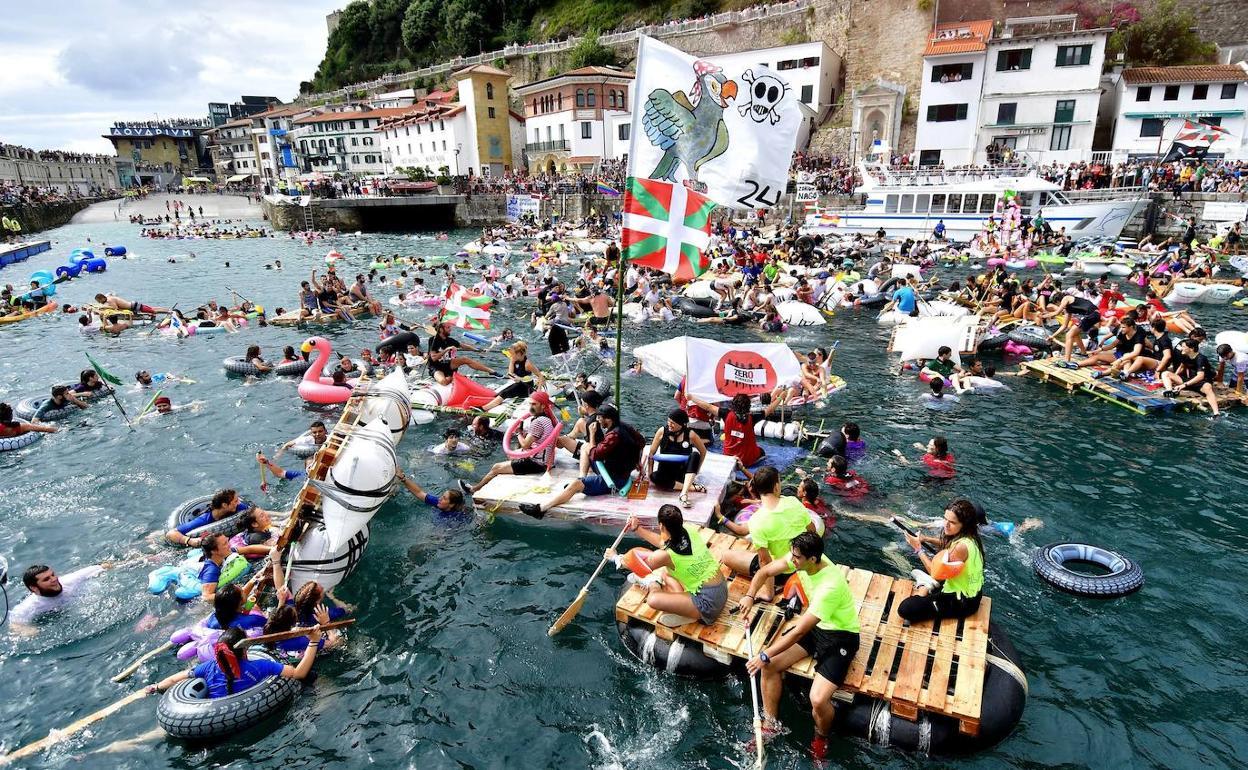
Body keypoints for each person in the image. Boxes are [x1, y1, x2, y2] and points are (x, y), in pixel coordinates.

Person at [742, 532, 861, 759]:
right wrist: (749, 595)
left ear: (812, 559)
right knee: (770, 666)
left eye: (796, 558)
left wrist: (764, 655)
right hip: (817, 628)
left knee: (818, 699)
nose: (792, 560)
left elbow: (798, 631)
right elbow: (765, 571)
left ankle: (821, 737)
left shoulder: (830, 586)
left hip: (840, 637)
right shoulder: (802, 560)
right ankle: (770, 725)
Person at [607, 507, 727, 626]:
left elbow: (637, 566)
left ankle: (653, 582)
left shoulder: (664, 556)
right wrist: (637, 528)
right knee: (666, 574)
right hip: (721, 588)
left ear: (661, 526)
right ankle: (688, 612)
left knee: (653, 600)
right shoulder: (689, 530)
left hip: (708, 604)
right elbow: (662, 542)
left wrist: (615, 557)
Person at [517, 405, 644, 518]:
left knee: (576, 484)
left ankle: (541, 509)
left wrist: (592, 434)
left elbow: (595, 455)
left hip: (614, 480)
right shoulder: (623, 426)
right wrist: (637, 461)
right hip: (616, 470)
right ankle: (582, 478)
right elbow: (641, 442)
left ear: (608, 419)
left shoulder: (613, 436)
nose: (598, 420)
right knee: (585, 447)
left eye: (600, 418)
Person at [147, 623, 324, 699]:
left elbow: (174, 679)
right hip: (244, 716)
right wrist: (314, 641)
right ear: (245, 648)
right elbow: (299, 673)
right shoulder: (260, 666)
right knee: (315, 678)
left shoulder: (208, 667)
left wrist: (155, 687)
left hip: (211, 716)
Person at [718, 467, 816, 600]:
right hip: (802, 563)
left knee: (726, 556)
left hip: (781, 573)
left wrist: (720, 516)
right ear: (776, 487)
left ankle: (770, 591)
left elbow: (765, 562)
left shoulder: (757, 520)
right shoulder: (794, 502)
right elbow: (812, 530)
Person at [898, 499, 985, 622]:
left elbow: (935, 573)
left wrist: (918, 549)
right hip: (972, 592)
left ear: (964, 524)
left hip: (962, 602)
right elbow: (949, 546)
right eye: (945, 519)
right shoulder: (970, 537)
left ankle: (924, 585)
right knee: (932, 563)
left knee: (906, 608)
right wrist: (926, 539)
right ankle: (928, 585)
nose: (946, 524)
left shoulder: (961, 547)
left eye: (952, 522)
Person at [462, 392, 559, 493]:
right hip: (546, 459)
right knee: (512, 456)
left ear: (543, 405)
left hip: (538, 463)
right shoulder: (547, 418)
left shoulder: (537, 422)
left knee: (496, 467)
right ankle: (511, 469)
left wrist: (518, 433)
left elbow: (525, 445)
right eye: (530, 404)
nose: (531, 407)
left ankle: (474, 489)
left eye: (534, 404)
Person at [685, 393, 780, 468]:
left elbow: (708, 407)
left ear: (733, 405)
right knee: (761, 452)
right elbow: (769, 410)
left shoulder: (725, 414)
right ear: (748, 406)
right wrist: (780, 398)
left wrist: (692, 398)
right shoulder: (753, 417)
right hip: (747, 460)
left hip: (729, 457)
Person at [9, 562, 109, 632]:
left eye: (53, 575)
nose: (54, 579)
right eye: (46, 579)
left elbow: (104, 566)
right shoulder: (30, 606)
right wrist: (28, 631)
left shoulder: (70, 580)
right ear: (34, 588)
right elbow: (15, 623)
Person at [642, 409, 709, 507]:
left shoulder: (690, 434)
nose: (669, 424)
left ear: (681, 424)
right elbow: (652, 453)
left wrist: (696, 470)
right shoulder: (662, 431)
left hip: (683, 473)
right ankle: (692, 487)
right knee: (654, 477)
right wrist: (650, 473)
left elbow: (703, 451)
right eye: (668, 421)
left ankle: (684, 493)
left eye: (672, 423)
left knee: (695, 455)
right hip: (665, 472)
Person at [164, 488, 252, 546]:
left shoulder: (239, 507)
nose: (239, 502)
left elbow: (254, 512)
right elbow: (171, 534)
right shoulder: (204, 520)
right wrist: (189, 541)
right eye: (235, 501)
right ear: (225, 505)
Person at [478, 340, 546, 412]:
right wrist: (514, 374)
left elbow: (540, 376)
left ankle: (483, 408)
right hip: (518, 384)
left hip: (527, 387)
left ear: (519, 354)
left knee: (505, 393)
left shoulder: (527, 364)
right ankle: (489, 404)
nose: (511, 355)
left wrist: (538, 391)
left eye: (512, 354)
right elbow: (510, 373)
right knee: (499, 393)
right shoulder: (513, 359)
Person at [1161, 338, 1222, 417]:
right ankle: (1170, 391)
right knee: (1165, 374)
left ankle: (1216, 413)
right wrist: (1173, 378)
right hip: (1189, 380)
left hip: (1201, 382)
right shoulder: (1185, 356)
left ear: (1191, 349)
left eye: (1184, 347)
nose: (1181, 348)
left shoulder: (1201, 359)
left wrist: (1184, 385)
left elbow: (1200, 376)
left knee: (1208, 388)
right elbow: (1182, 367)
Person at [395, 467, 467, 515]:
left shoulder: (457, 517)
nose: (440, 498)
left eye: (444, 498)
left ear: (451, 504)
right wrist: (403, 478)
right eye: (442, 496)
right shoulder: (438, 502)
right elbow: (419, 492)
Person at [93, 293, 170, 315]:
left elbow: (115, 308)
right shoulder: (108, 297)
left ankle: (169, 312)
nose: (99, 302)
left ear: (102, 298)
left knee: (154, 311)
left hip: (134, 307)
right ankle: (168, 310)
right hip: (134, 304)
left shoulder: (109, 300)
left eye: (99, 301)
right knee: (152, 308)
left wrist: (104, 308)